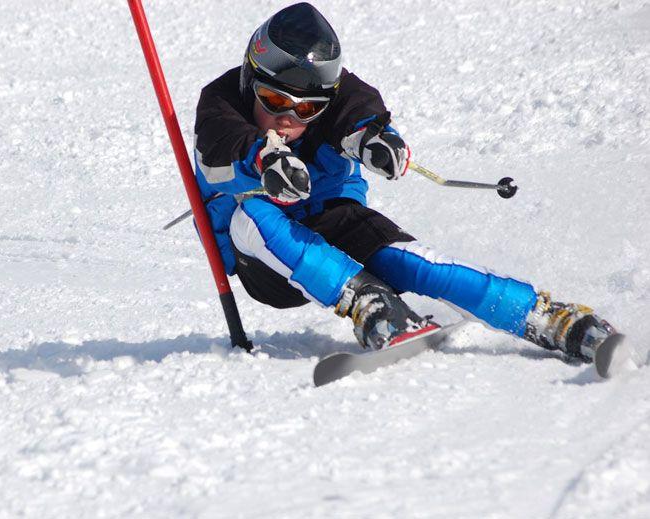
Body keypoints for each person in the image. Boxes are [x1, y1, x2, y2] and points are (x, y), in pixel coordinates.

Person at [192, 2, 618, 365]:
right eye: (274, 101)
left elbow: (355, 108)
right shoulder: (220, 106)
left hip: (330, 220)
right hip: (266, 264)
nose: (288, 118)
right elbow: (222, 147)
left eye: (307, 109)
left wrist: (372, 139)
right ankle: (366, 302)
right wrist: (265, 158)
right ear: (249, 80)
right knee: (251, 213)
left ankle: (549, 318)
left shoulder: (333, 99)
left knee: (412, 262)